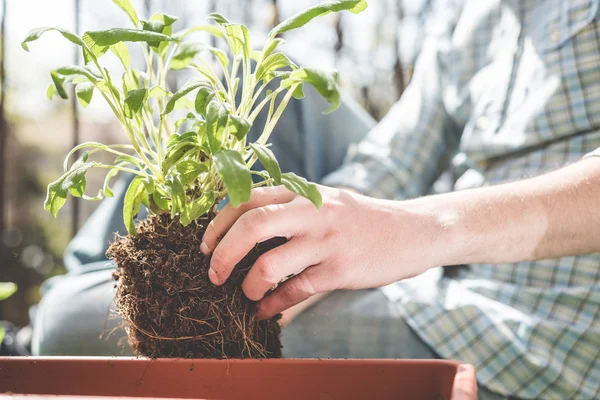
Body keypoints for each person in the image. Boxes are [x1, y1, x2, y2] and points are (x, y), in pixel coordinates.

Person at [31, 0, 600, 398]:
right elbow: (397, 159)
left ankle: (65, 308)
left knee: (61, 326)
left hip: (526, 315)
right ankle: (106, 278)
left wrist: (419, 230)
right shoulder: (488, 12)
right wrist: (308, 242)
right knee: (256, 76)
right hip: (444, 238)